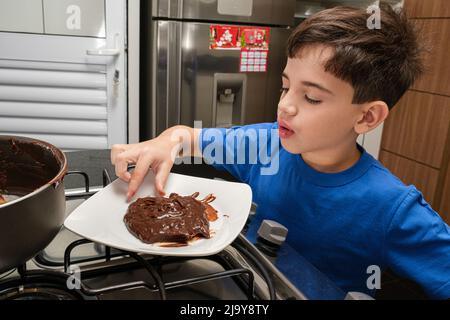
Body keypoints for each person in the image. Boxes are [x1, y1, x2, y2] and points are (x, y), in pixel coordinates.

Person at [111, 4, 450, 299]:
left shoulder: (393, 208)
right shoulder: (263, 145)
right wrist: (163, 144)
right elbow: (185, 136)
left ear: (366, 116)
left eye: (312, 98)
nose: (285, 106)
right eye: (285, 86)